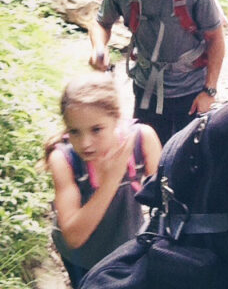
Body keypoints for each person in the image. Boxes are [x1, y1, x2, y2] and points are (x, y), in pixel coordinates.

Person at [89, 0, 225, 145]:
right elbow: (100, 23)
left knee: (188, 155)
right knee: (147, 152)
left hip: (190, 89)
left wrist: (209, 91)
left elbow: (215, 38)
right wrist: (99, 48)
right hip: (146, 88)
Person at [45, 71, 161, 288]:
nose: (86, 143)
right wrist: (111, 180)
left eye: (96, 129)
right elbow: (73, 237)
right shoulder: (63, 159)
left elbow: (163, 204)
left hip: (126, 247)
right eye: (75, 131)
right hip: (82, 258)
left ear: (116, 118)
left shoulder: (142, 140)